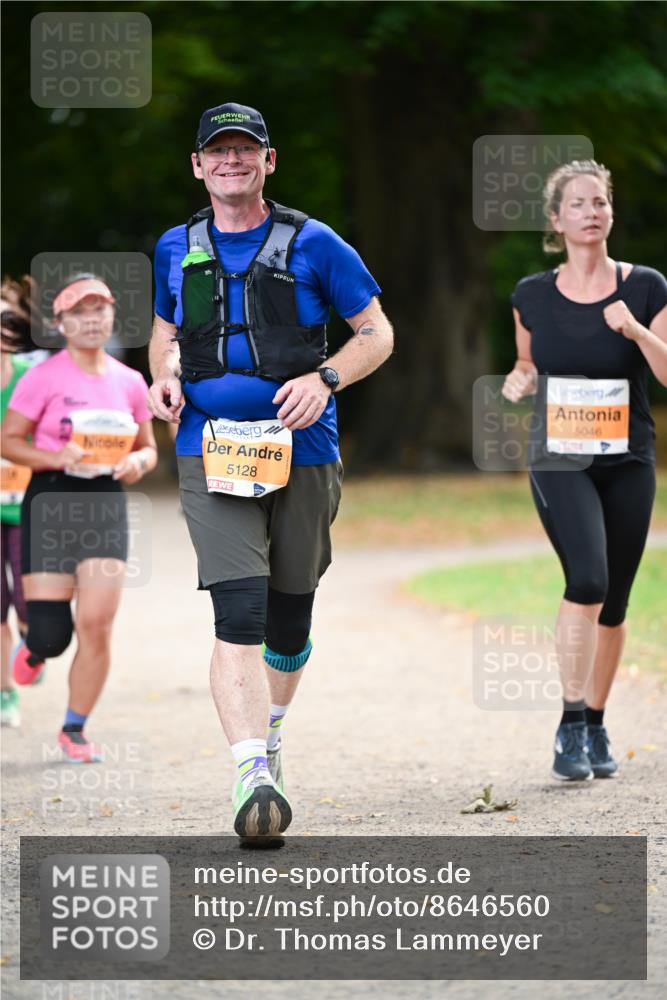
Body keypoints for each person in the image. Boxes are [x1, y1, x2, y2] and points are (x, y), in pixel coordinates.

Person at [148, 102, 393, 841]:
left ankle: (273, 728)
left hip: (303, 449)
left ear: (268, 160)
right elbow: (165, 330)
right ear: (196, 165)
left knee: (290, 616)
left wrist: (324, 378)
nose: (231, 162)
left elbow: (376, 333)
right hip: (207, 444)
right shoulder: (174, 245)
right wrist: (162, 373)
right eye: (216, 152)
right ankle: (251, 770)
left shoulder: (316, 243)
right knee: (240, 609)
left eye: (244, 151)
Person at [502, 160, 667, 781]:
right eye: (578, 204)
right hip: (560, 456)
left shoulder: (647, 287)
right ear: (557, 220)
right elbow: (527, 363)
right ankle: (569, 724)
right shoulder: (531, 295)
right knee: (589, 580)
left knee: (617, 603)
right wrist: (521, 380)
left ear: (611, 213)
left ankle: (596, 724)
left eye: (600, 201)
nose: (591, 212)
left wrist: (635, 331)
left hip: (628, 460)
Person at [1, 273, 158, 761]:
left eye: (100, 310)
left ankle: (74, 727)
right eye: (80, 312)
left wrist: (137, 463)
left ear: (112, 317)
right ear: (59, 322)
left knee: (97, 622)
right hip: (49, 502)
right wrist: (55, 458)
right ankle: (34, 650)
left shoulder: (131, 381)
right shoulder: (41, 377)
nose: (92, 320)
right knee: (51, 633)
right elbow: (9, 441)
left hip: (105, 503)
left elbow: (149, 449)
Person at [1, 277, 40, 727]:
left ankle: (35, 646)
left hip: (29, 507)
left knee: (32, 604)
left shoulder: (34, 379)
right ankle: (5, 692)